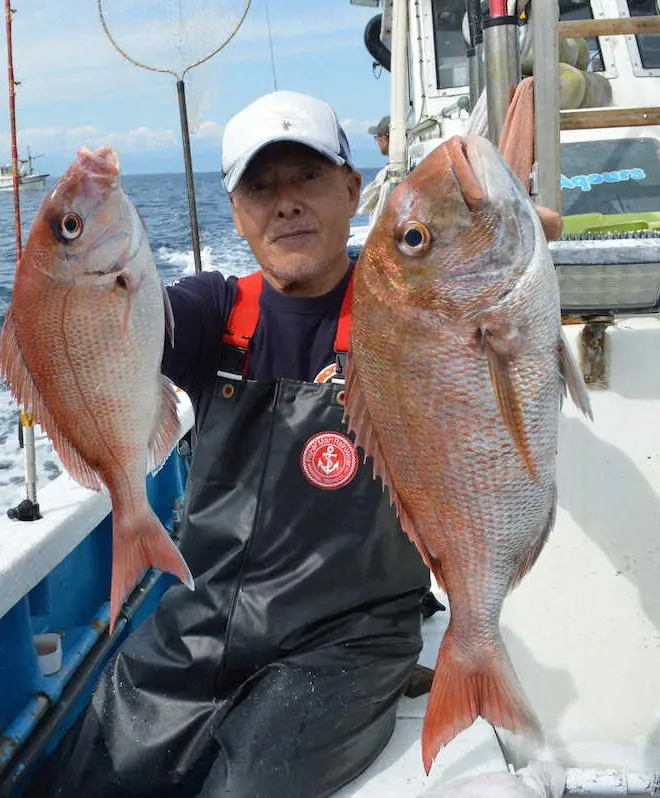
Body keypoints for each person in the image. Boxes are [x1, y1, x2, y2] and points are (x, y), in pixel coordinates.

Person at [27, 90, 555, 797]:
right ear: (237, 212)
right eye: (261, 187)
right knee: (84, 783)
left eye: (306, 177)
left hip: (347, 641)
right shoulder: (216, 312)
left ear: (350, 187)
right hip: (201, 620)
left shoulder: (410, 305)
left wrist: (523, 260)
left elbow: (493, 356)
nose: (286, 204)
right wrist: (65, 263)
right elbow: (102, 334)